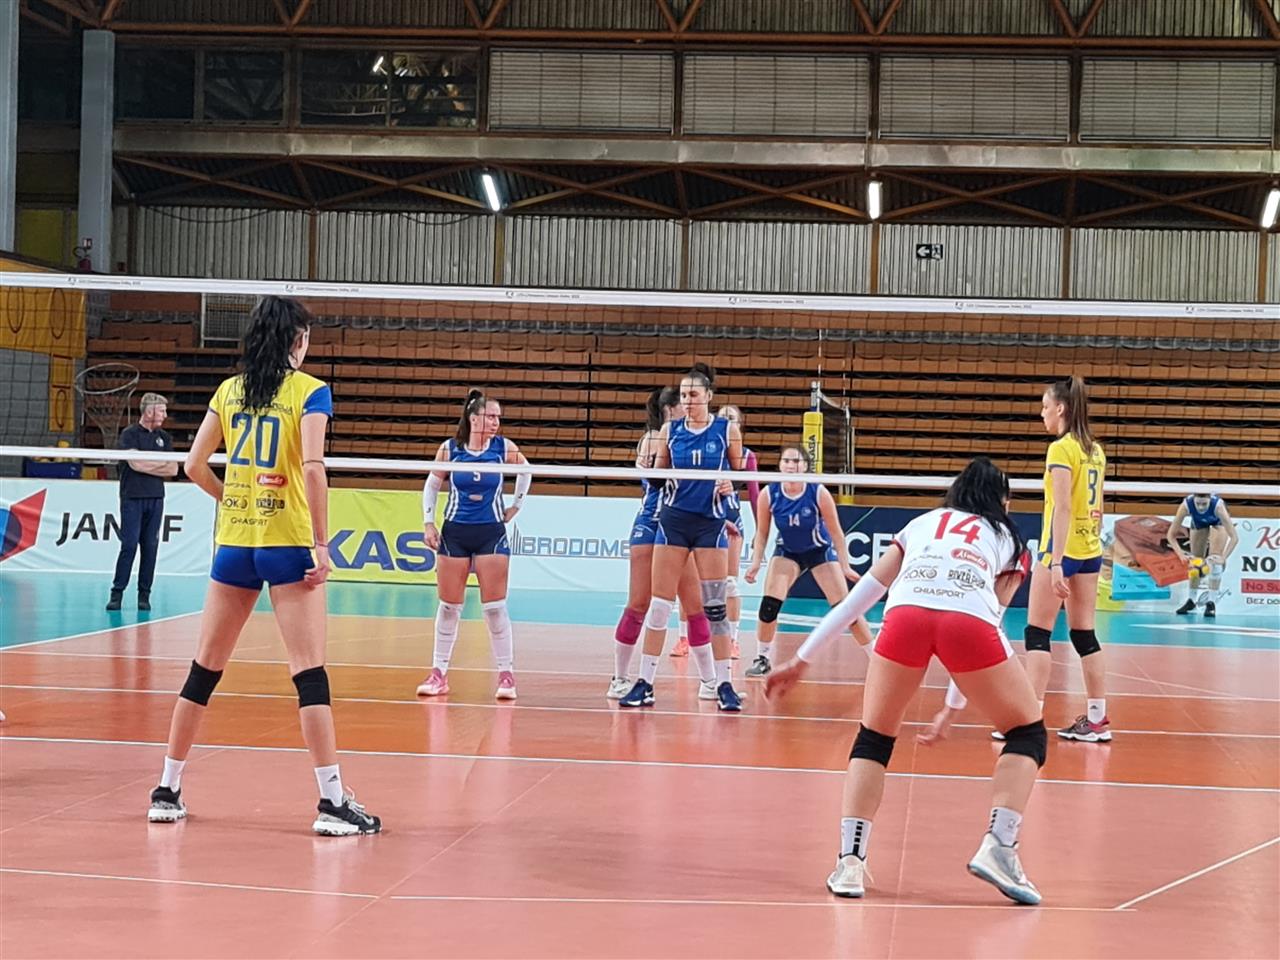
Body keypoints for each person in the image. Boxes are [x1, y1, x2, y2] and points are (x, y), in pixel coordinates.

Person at [148, 297, 380, 836]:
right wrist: (322, 545)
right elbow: (314, 468)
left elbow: (192, 465)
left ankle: (166, 789)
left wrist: (232, 497)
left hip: (235, 542)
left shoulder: (229, 390)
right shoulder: (310, 391)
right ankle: (332, 801)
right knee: (309, 673)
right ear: (297, 340)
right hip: (287, 541)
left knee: (204, 670)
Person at [766, 457, 1044, 904]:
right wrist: (951, 708)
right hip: (968, 622)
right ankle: (1000, 845)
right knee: (1027, 733)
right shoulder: (1009, 539)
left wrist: (801, 660)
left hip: (904, 617)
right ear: (1002, 500)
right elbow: (989, 618)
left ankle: (850, 862)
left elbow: (854, 603)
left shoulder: (922, 524)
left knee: (874, 738)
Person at [620, 362, 746, 712]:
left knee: (715, 607)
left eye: (694, 394)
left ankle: (724, 684)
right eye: (684, 395)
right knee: (660, 606)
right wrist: (646, 469)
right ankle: (644, 682)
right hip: (673, 523)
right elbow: (658, 478)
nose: (688, 401)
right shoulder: (669, 431)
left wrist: (731, 483)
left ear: (708, 396)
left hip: (710, 524)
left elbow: (741, 473)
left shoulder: (726, 430)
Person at [419, 390, 530, 700]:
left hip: (490, 533)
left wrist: (516, 505)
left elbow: (526, 471)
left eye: (498, 417)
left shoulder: (503, 448)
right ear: (474, 418)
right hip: (455, 532)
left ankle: (506, 675)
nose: (496, 422)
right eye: (490, 416)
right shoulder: (450, 449)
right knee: (449, 607)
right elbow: (432, 484)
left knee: (494, 609)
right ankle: (438, 674)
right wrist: (428, 522)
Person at [1021, 377, 1110, 743]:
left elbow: (1063, 507)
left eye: (1045, 407)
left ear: (1061, 408)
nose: (1042, 414)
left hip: (1061, 551)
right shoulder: (1096, 450)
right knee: (1084, 634)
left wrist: (1056, 562)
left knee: (1037, 633)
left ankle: (1027, 721)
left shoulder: (1061, 449)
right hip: (1090, 551)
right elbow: (1098, 506)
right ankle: (1097, 720)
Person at [744, 445, 869, 678]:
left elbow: (837, 532)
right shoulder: (769, 494)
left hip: (819, 551)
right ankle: (762, 658)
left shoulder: (818, 492)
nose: (791, 465)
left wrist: (845, 565)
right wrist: (755, 563)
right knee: (769, 606)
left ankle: (876, 657)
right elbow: (761, 534)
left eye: (796, 461)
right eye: (786, 461)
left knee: (846, 610)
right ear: (780, 465)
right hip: (788, 551)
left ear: (805, 466)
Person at [610, 387, 700, 698]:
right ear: (672, 409)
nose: (690, 408)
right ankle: (620, 678)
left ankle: (712, 682)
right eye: (685, 402)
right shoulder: (654, 438)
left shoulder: (688, 438)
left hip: (680, 525)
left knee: (694, 605)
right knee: (639, 603)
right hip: (652, 523)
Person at [107, 393, 177, 611]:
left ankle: (144, 595)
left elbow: (173, 468)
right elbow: (135, 464)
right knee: (129, 545)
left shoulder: (164, 437)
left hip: (156, 497)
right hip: (132, 497)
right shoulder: (129, 434)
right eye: (161, 411)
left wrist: (147, 464)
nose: (165, 415)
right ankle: (117, 593)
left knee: (150, 547)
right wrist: (158, 465)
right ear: (149, 411)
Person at [717, 405, 759, 659]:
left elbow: (754, 494)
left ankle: (733, 640)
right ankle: (686, 638)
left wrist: (760, 531)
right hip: (706, 520)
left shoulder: (746, 456)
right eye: (722, 417)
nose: (726, 421)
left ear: (740, 424)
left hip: (732, 522)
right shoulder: (708, 450)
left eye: (731, 417)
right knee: (697, 585)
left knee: (730, 583)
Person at [1167, 491, 1239, 617]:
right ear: (1193, 500)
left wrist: (1223, 558)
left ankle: (1211, 603)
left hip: (1218, 521)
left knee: (1215, 560)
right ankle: (1191, 600)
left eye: (1204, 504)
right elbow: (1170, 535)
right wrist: (1181, 555)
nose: (1201, 507)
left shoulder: (1219, 507)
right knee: (1196, 562)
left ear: (1210, 500)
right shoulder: (1186, 505)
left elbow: (1234, 538)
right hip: (1199, 523)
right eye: (1198, 504)